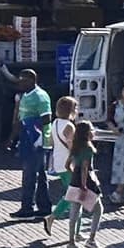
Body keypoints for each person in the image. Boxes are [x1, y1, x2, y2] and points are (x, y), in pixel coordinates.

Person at [11, 70, 54, 222]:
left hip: (37, 141)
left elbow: (46, 118)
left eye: (23, 80)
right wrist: (13, 137)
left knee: (29, 175)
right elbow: (20, 118)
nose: (20, 83)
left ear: (32, 79)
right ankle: (44, 207)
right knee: (40, 174)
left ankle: (27, 208)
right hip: (26, 138)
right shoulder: (25, 96)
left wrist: (38, 137)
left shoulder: (40, 96)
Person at [66, 121, 104, 248]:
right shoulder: (88, 148)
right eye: (92, 130)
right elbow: (85, 168)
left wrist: (74, 176)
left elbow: (67, 165)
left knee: (74, 212)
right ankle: (91, 240)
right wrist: (83, 186)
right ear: (87, 133)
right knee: (98, 209)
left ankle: (71, 243)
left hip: (74, 180)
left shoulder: (75, 146)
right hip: (87, 182)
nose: (94, 132)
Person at [47, 96, 78, 233]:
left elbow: (51, 142)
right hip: (68, 164)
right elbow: (72, 147)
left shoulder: (55, 123)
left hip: (58, 162)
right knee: (74, 196)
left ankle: (76, 230)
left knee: (72, 194)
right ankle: (53, 217)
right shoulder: (69, 126)